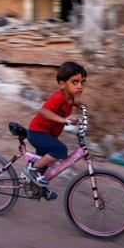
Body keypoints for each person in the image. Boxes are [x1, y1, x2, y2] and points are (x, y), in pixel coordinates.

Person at [23, 61, 87, 190]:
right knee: (60, 150)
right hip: (37, 133)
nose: (80, 86)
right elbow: (43, 111)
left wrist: (78, 105)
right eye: (75, 82)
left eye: (82, 82)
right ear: (63, 84)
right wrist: (64, 120)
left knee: (46, 164)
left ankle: (35, 188)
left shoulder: (70, 98)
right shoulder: (59, 96)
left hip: (48, 135)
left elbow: (69, 102)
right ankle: (31, 169)